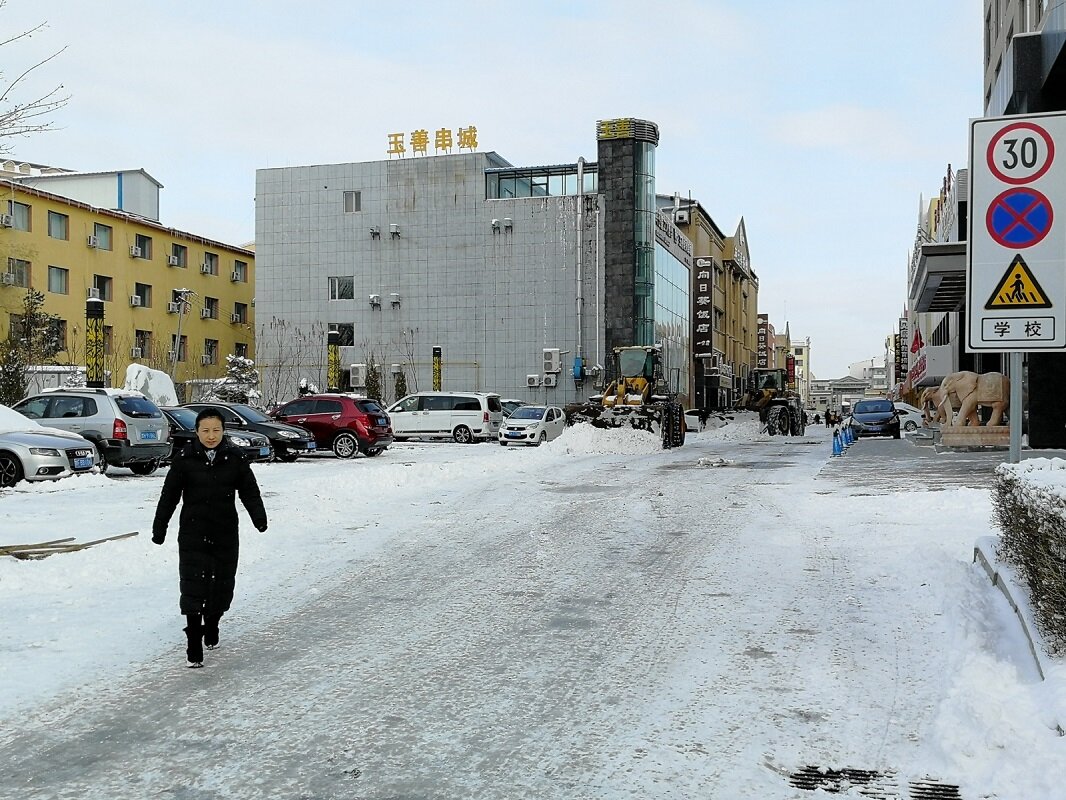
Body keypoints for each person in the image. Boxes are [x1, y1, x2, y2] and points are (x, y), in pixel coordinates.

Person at [152, 407, 268, 668]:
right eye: (205, 430)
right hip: (193, 532)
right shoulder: (184, 459)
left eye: (216, 430)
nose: (211, 435)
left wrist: (258, 517)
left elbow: (249, 491)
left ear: (223, 431)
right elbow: (169, 496)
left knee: (221, 585)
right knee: (193, 584)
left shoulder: (234, 458)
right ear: (197, 432)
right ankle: (194, 639)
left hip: (225, 531)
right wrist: (159, 528)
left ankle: (212, 623)